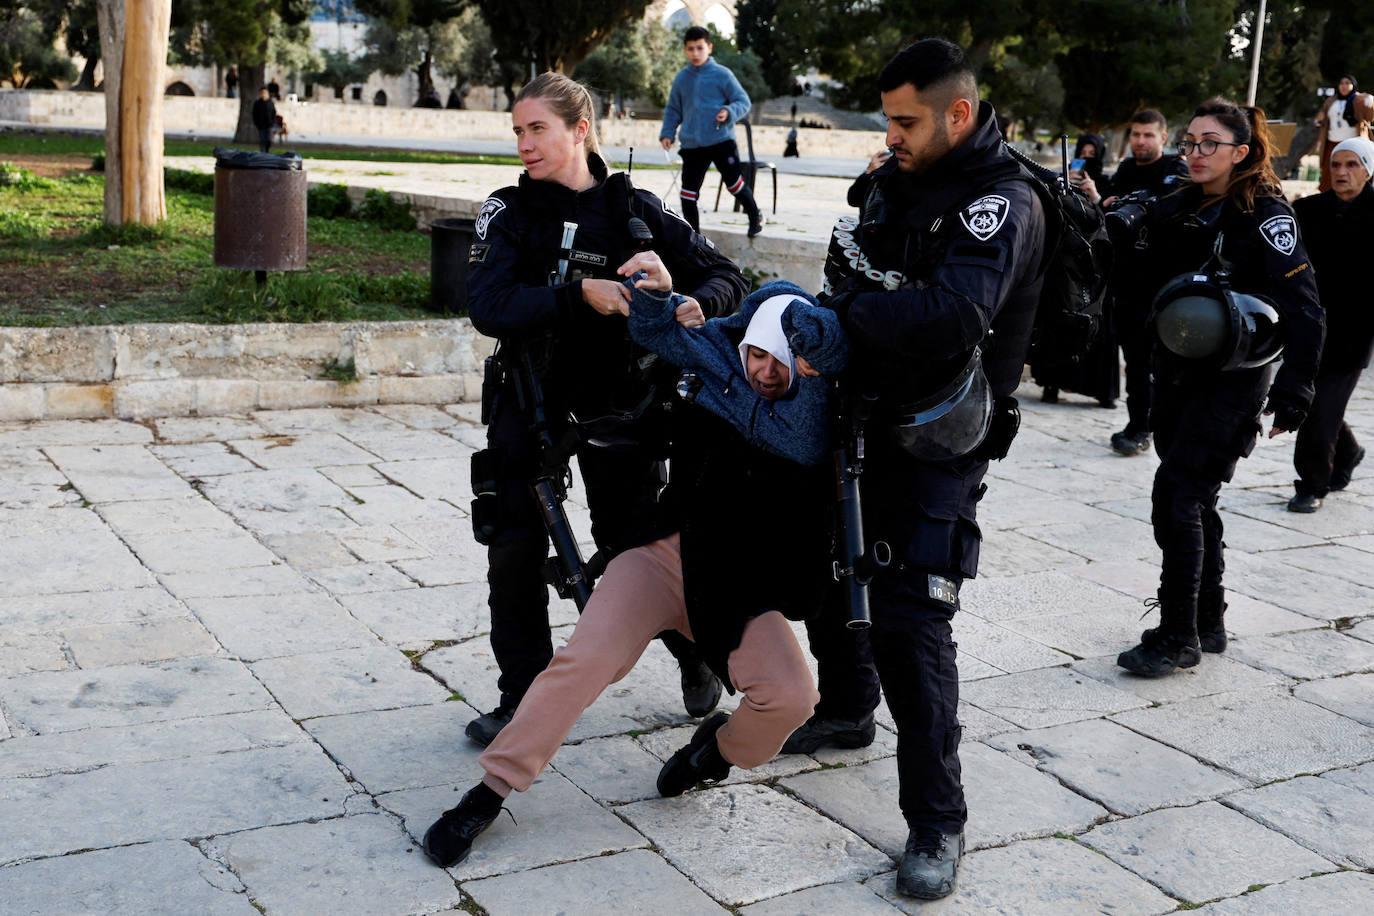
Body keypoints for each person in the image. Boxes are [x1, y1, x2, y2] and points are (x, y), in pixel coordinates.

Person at [421, 279, 846, 869]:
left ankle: (713, 755)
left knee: (793, 699)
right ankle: (489, 791)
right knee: (584, 661)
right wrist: (663, 295)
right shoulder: (718, 376)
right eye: (755, 353)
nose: (764, 371)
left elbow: (801, 429)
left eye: (779, 361)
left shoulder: (817, 421)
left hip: (735, 590)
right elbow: (663, 332)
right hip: (664, 557)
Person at [783, 39, 1048, 900]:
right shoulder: (897, 179)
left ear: (958, 114)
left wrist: (852, 313)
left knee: (912, 620)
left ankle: (938, 820)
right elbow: (848, 262)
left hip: (941, 437)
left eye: (906, 120)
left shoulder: (999, 202)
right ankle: (848, 707)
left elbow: (949, 316)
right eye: (889, 119)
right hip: (861, 410)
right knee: (830, 571)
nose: (890, 134)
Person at [462, 72, 748, 748]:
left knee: (637, 550)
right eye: (519, 131)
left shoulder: (636, 211)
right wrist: (575, 296)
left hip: (623, 408)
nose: (525, 144)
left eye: (538, 129)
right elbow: (488, 305)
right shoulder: (508, 211)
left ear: (579, 130)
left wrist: (692, 299)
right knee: (513, 550)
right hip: (529, 403)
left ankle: (694, 652)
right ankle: (522, 701)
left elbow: (730, 278)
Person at [1114, 98, 1324, 676]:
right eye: (1190, 142)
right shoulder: (1179, 201)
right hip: (1177, 372)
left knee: (1178, 496)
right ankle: (1208, 620)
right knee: (1193, 498)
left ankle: (1179, 635)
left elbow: (1306, 310)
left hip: (1233, 381)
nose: (1196, 153)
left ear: (1242, 151)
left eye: (1210, 143)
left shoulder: (1266, 214)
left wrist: (1296, 390)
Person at [1079, 109, 1191, 455]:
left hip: (1167, 286)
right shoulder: (1126, 170)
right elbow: (1107, 219)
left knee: (1167, 365)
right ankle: (1139, 425)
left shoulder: (1176, 171)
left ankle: (1166, 424)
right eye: (1136, 135)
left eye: (1148, 135)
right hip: (1127, 285)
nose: (1140, 141)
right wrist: (1098, 200)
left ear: (1162, 136)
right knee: (1137, 362)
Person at [1288, 137, 1374, 512]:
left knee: (1320, 407)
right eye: (1335, 165)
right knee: (1315, 404)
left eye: (1351, 165)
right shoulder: (1307, 210)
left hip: (1353, 332)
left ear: (1368, 170)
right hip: (1309, 325)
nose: (1341, 172)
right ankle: (1349, 451)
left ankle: (1312, 484)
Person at [659, 26, 765, 238]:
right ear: (685, 50)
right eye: (690, 49)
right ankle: (694, 239)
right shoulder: (681, 78)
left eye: (700, 48)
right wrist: (667, 132)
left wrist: (728, 111)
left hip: (721, 140)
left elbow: (743, 101)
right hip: (692, 145)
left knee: (734, 185)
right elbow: (673, 108)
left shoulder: (722, 74)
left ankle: (755, 215)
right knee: (688, 194)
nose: (695, 53)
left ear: (709, 47)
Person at [1314, 76, 1370, 191]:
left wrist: (1369, 100)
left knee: (1353, 172)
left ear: (1353, 85)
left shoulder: (1359, 99)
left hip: (1353, 145)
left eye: (1347, 83)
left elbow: (1370, 116)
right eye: (1341, 83)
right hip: (1332, 143)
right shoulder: (1331, 100)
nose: (1344, 86)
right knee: (1329, 174)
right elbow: (1320, 121)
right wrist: (1319, 120)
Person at [251, 87, 276, 154]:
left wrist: (272, 122)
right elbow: (254, 114)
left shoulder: (270, 103)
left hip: (269, 125)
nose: (263, 94)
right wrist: (256, 123)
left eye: (265, 93)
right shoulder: (257, 103)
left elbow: (274, 113)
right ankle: (263, 153)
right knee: (262, 140)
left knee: (269, 140)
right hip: (261, 125)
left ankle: (266, 151)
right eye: (262, 93)